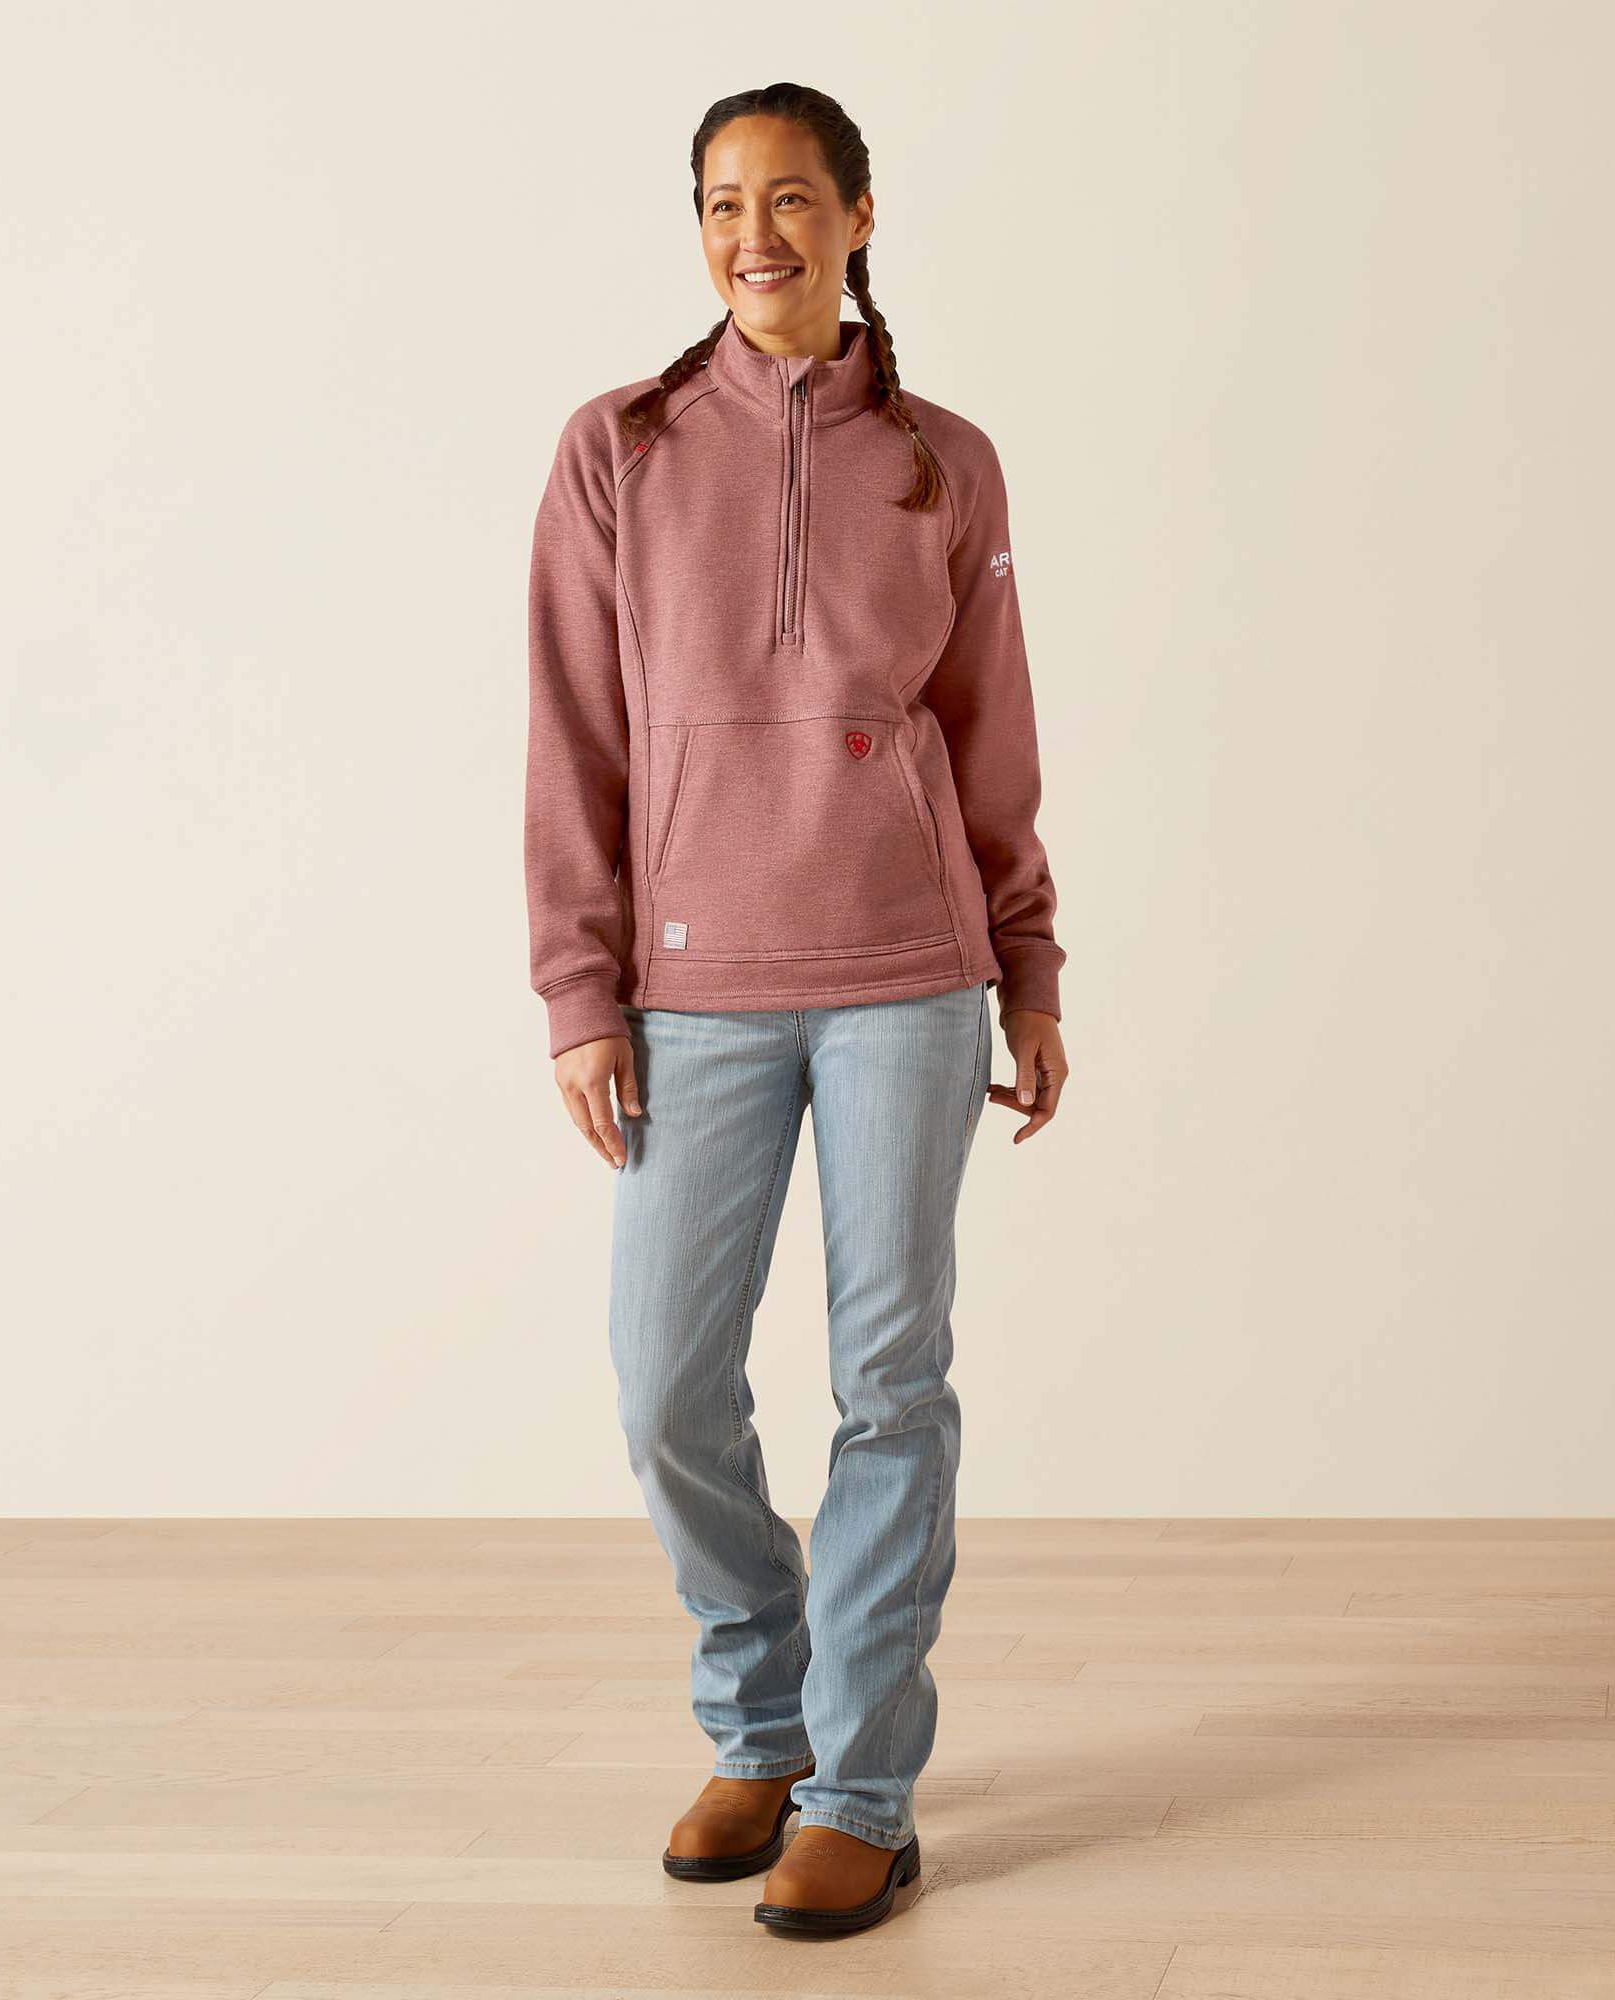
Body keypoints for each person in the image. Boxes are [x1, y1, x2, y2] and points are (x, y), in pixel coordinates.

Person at [523, 81, 1070, 1939]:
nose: (753, 234)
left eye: (789, 199)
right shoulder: (619, 449)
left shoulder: (944, 460)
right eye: (720, 203)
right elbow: (573, 734)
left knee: (890, 1380)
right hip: (694, 988)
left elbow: (990, 729)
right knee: (666, 1385)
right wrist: (580, 986)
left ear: (856, 216)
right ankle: (761, 1724)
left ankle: (861, 1788)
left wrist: (1030, 964)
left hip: (910, 973)